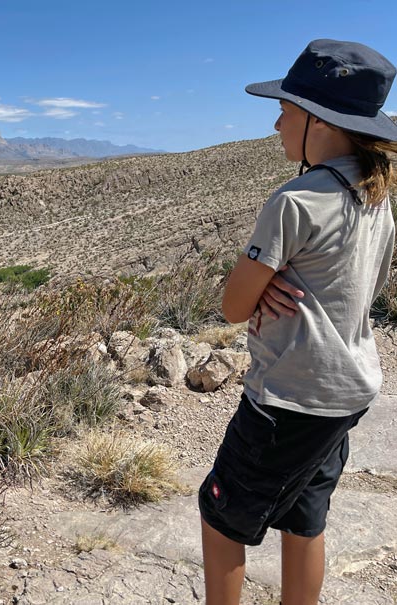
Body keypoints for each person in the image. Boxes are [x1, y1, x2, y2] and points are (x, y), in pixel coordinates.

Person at [199, 39, 397, 604]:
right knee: (305, 519)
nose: (277, 123)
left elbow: (232, 307)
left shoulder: (295, 200)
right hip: (349, 390)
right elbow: (363, 290)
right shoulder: (376, 194)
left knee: (220, 517)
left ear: (319, 122)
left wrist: (262, 291)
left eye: (286, 110)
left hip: (291, 397)